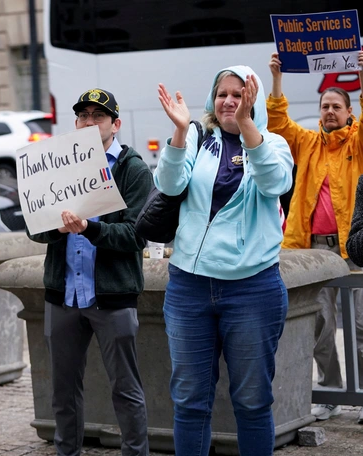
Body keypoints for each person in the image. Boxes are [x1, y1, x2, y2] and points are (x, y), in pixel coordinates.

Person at [154, 66, 293, 455]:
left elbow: (274, 183)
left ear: (253, 98)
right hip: (189, 287)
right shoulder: (199, 138)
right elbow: (168, 185)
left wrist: (249, 127)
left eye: (239, 94)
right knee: (188, 401)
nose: (229, 101)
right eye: (222, 94)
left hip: (252, 289)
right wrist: (180, 133)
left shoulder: (274, 144)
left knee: (251, 401)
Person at [28, 88, 151, 456]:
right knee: (63, 391)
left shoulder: (133, 169)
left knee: (126, 389)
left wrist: (90, 228)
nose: (88, 122)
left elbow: (138, 234)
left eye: (97, 116)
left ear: (115, 124)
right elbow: (36, 229)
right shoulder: (58, 163)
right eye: (82, 116)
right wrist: (61, 229)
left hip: (112, 297)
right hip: (64, 296)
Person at [268, 50, 363, 423]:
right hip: (311, 253)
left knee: (360, 327)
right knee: (320, 326)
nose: (329, 111)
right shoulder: (306, 143)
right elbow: (278, 122)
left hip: (353, 249)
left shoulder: (356, 142)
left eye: (336, 106)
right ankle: (332, 393)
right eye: (325, 105)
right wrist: (277, 78)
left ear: (348, 112)